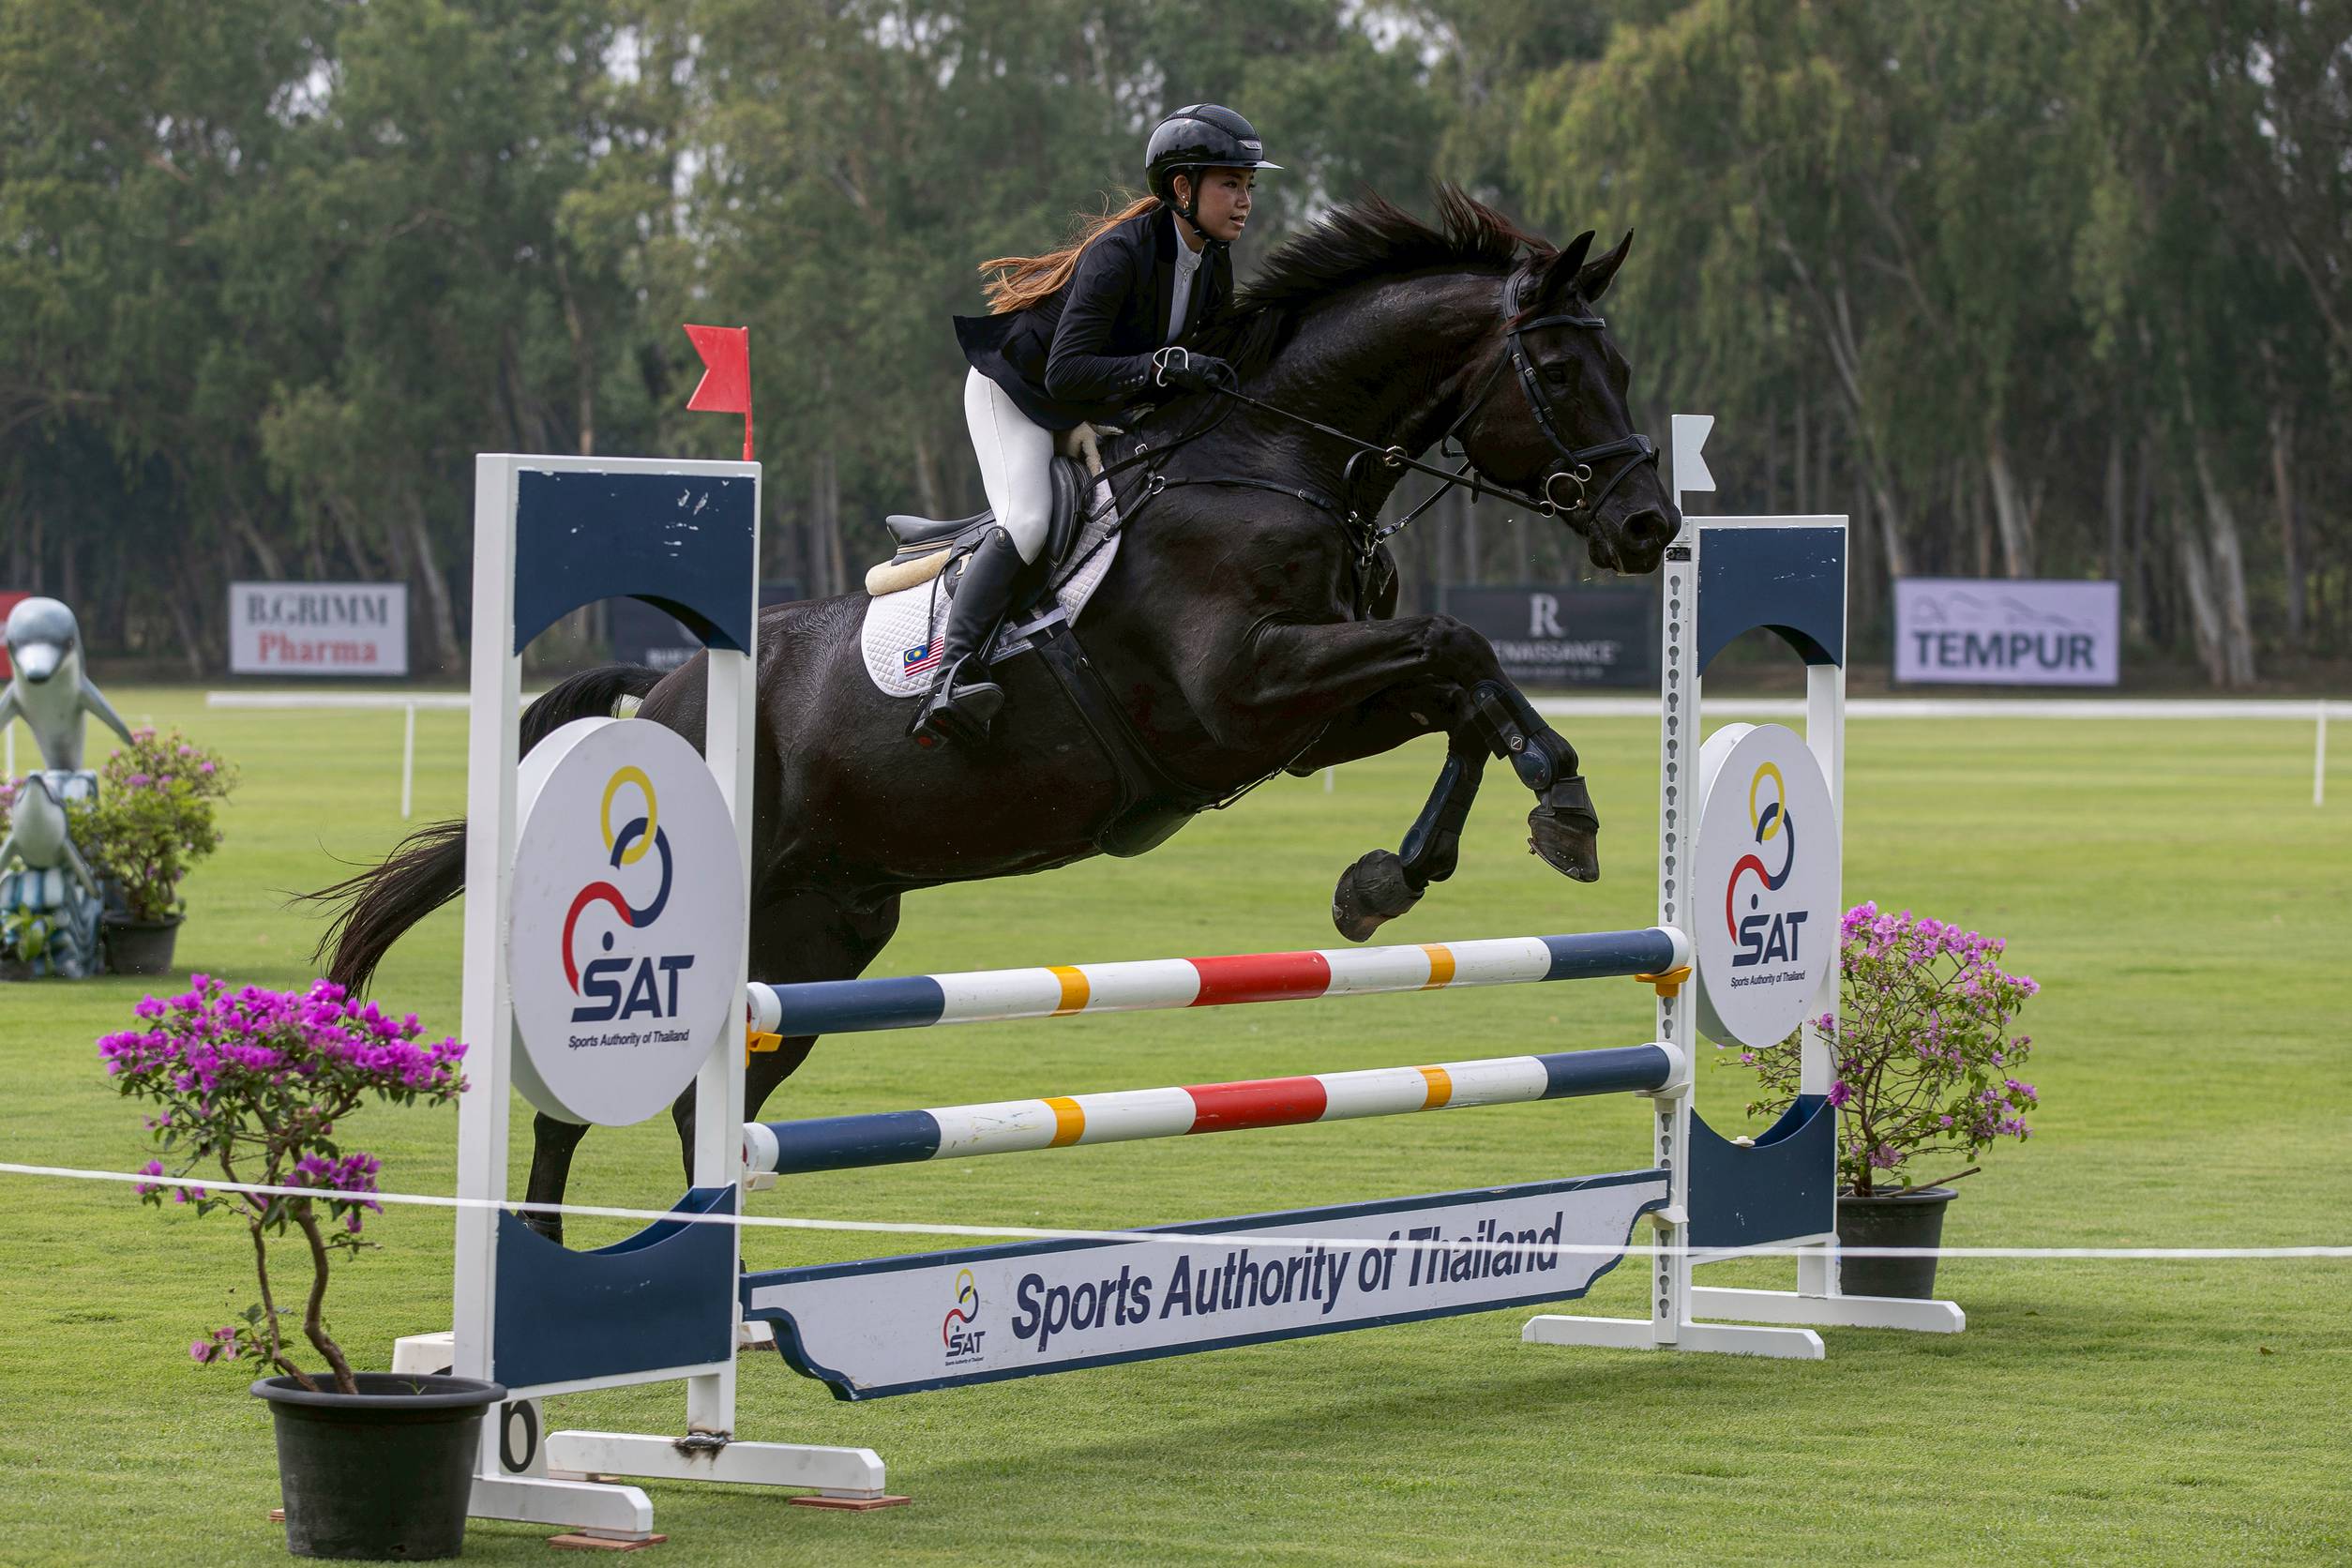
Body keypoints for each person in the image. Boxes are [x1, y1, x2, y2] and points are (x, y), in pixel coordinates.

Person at [918, 104, 1279, 747]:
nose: (1245, 200)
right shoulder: (1119, 254)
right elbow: (1066, 372)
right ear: (1182, 188)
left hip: (1082, 408)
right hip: (1016, 391)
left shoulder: (1212, 263)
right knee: (1027, 521)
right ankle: (949, 676)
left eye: (1249, 185)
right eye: (1231, 184)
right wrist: (1165, 364)